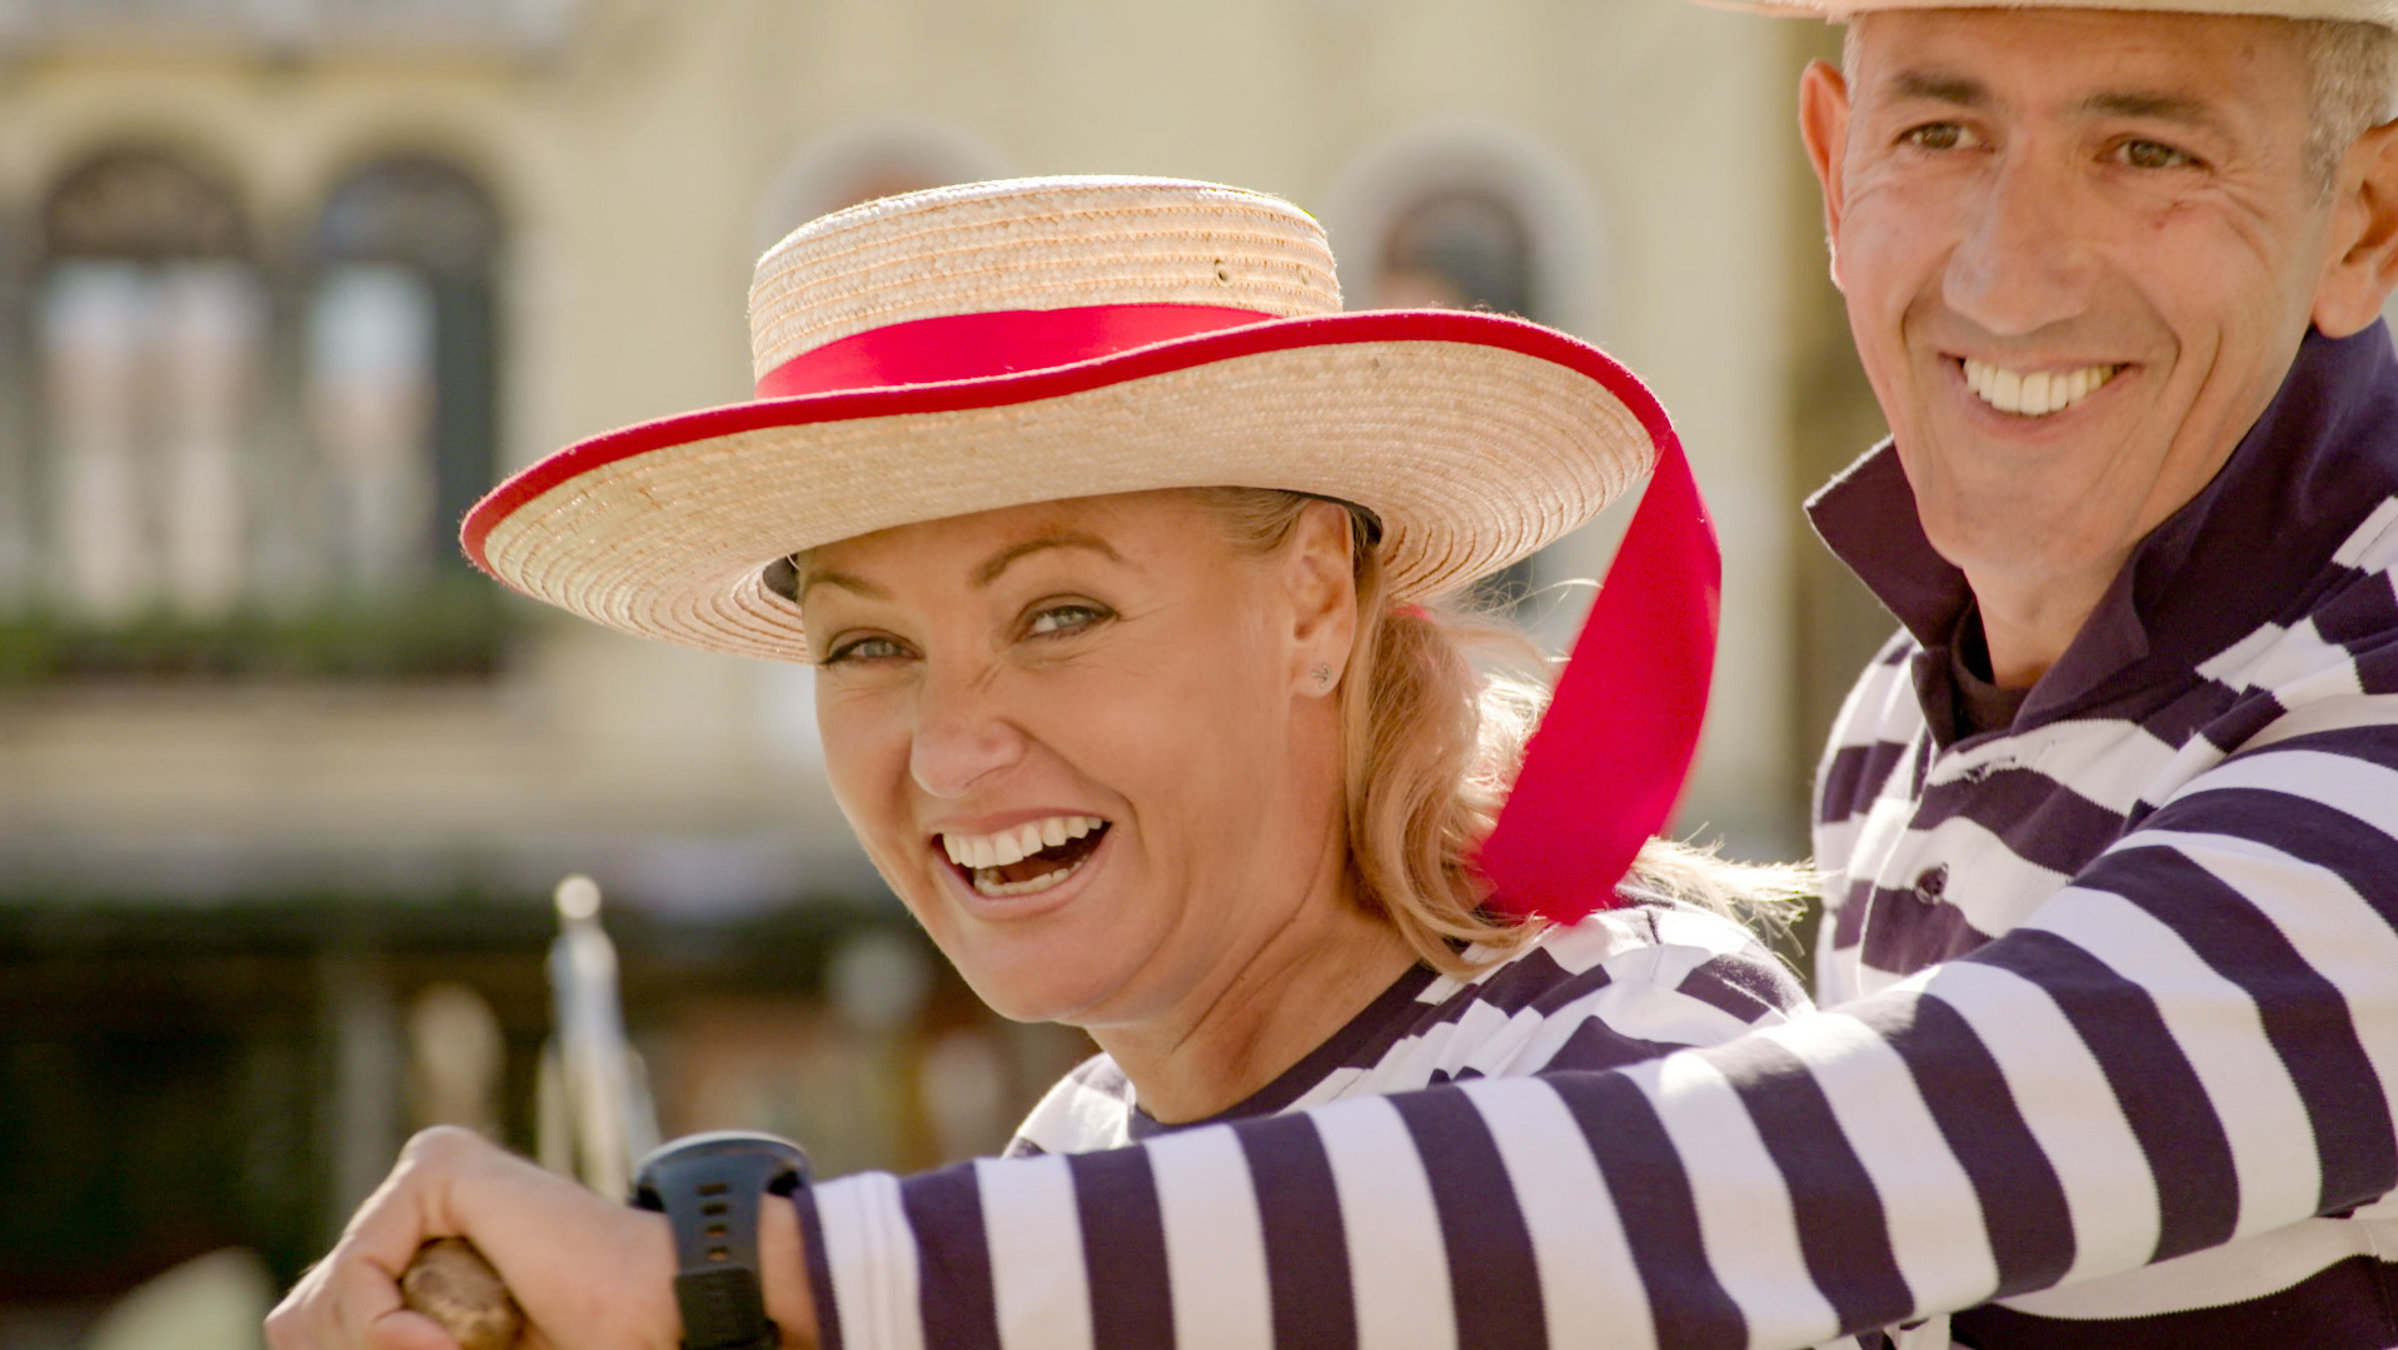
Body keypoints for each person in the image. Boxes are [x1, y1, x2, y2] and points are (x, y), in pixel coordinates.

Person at [280, 0, 2398, 1332]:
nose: (950, 740)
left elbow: (1799, 1179)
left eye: (2145, 143)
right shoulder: (1903, 729)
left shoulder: (1620, 1046)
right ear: (1838, 170)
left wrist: (737, 1279)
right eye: (1945, 129)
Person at [267, 176, 1811, 1350]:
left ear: (1313, 603)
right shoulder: (1068, 1152)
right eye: (866, 647)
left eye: (1060, 612)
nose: (949, 747)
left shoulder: (1648, 1029)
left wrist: (729, 1277)